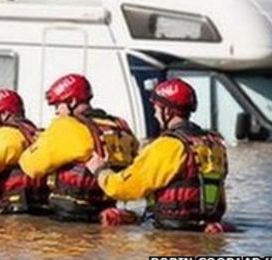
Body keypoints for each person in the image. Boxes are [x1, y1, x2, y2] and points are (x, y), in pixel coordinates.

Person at [86, 78, 232, 233]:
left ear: (167, 111)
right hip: (205, 228)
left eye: (156, 109)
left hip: (169, 233)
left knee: (111, 224)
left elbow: (123, 188)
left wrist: (101, 170)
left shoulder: (168, 145)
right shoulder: (215, 144)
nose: (155, 114)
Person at [18, 74, 139, 223]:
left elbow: (31, 167)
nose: (56, 112)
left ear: (72, 101)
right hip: (106, 210)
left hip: (70, 214)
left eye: (58, 106)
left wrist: (41, 140)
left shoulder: (65, 125)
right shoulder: (120, 126)